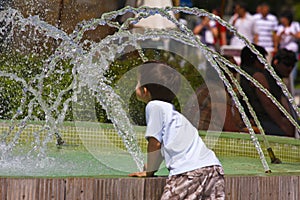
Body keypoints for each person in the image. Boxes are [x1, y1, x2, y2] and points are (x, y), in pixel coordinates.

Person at [129, 62, 225, 199]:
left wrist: (149, 172)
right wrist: (150, 167)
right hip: (213, 168)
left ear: (145, 90)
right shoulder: (172, 113)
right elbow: (161, 149)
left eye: (137, 82)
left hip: (189, 173)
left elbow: (155, 143)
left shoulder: (154, 106)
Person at [240, 45, 297, 137]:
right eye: (263, 60)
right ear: (256, 61)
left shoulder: (240, 73)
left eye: (292, 65)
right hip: (261, 121)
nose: (290, 68)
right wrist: (283, 125)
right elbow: (268, 104)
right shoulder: (258, 76)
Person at [276, 10, 300, 95]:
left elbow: (299, 35)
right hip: (283, 53)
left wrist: (291, 34)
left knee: (292, 74)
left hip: (292, 51)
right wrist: (281, 34)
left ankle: (292, 93)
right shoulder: (280, 27)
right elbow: (276, 40)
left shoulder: (295, 25)